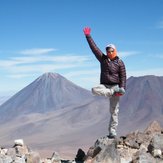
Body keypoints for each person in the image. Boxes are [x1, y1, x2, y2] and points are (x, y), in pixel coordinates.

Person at [83, 27, 126, 138]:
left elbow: (123, 76)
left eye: (111, 50)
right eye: (108, 50)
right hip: (105, 87)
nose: (109, 52)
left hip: (116, 86)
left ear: (115, 51)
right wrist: (88, 36)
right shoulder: (103, 59)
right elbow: (94, 48)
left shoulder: (120, 62)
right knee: (94, 89)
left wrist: (122, 88)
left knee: (114, 111)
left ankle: (112, 131)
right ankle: (110, 93)